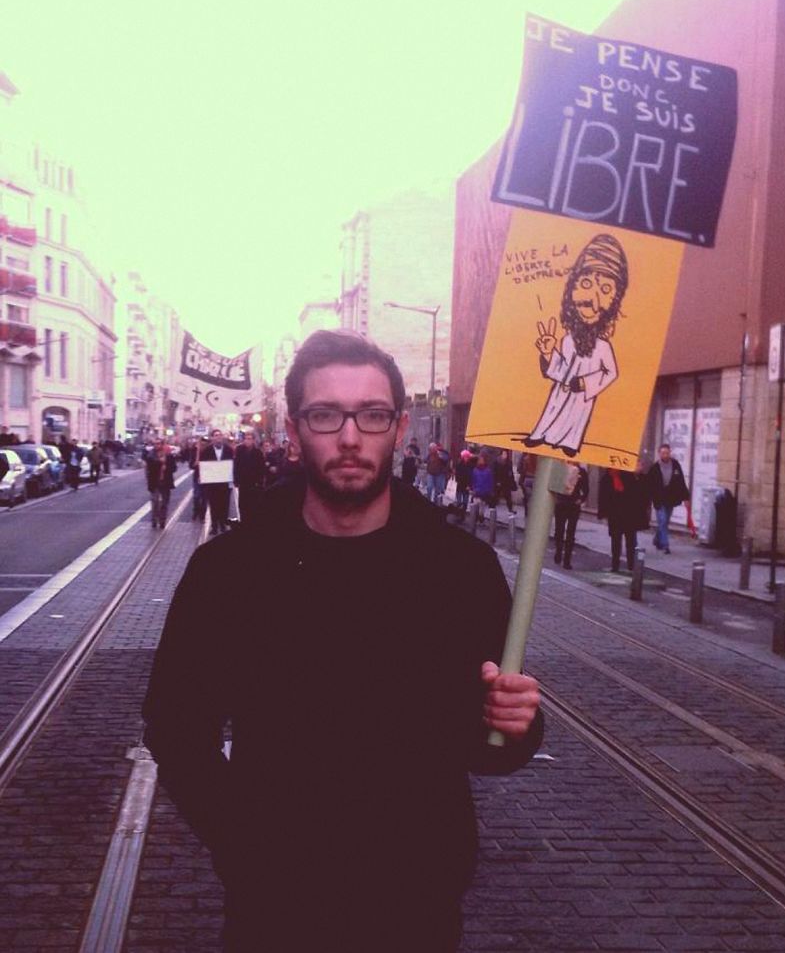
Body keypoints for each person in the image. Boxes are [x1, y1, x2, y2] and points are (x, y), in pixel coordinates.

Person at [142, 329, 542, 952]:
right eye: (326, 415)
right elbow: (174, 728)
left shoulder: (457, 570)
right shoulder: (231, 572)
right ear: (295, 429)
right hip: (272, 910)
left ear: (400, 427)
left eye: (372, 415)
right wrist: (242, 839)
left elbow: (486, 750)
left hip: (416, 908)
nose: (350, 437)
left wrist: (515, 726)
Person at [522, 234, 625, 457]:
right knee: (552, 412)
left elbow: (611, 373)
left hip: (582, 396)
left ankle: (570, 442)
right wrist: (549, 352)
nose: (593, 300)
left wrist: (586, 383)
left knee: (575, 421)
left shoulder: (604, 347)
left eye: (606, 290)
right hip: (562, 391)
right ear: (572, 289)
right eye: (586, 283)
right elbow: (560, 368)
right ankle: (540, 435)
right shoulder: (568, 339)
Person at [598, 465, 650, 572]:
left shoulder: (628, 475)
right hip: (614, 515)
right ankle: (615, 565)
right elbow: (602, 496)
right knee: (616, 541)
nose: (614, 469)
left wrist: (637, 475)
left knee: (630, 541)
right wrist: (603, 513)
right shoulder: (606, 478)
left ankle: (631, 565)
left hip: (628, 514)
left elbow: (637, 492)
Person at [646, 443, 694, 553]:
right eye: (663, 453)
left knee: (665, 521)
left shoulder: (675, 465)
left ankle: (657, 539)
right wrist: (648, 499)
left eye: (667, 453)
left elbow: (681, 481)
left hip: (671, 498)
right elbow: (649, 485)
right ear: (659, 454)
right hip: (659, 499)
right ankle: (665, 545)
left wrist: (686, 497)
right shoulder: (655, 468)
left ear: (670, 453)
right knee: (662, 520)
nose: (665, 455)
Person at [551, 462, 589, 569]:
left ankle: (567, 560)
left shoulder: (582, 471)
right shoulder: (560, 467)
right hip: (561, 503)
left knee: (571, 533)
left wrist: (581, 499)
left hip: (573, 505)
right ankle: (558, 551)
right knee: (559, 530)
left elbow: (586, 489)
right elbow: (554, 485)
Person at [200, 429, 234, 534]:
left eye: (220, 435)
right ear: (212, 438)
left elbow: (233, 464)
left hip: (225, 482)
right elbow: (203, 465)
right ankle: (214, 525)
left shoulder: (229, 450)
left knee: (224, 503)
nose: (218, 437)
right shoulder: (206, 451)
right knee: (213, 504)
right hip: (212, 483)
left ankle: (223, 524)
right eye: (216, 435)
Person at [233, 432, 267, 525]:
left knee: (254, 504)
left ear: (253, 440)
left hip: (254, 483)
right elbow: (236, 466)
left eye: (250, 439)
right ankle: (244, 522)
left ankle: (253, 522)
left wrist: (260, 481)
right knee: (243, 504)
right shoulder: (239, 450)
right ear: (243, 440)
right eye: (246, 439)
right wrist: (236, 480)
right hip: (243, 482)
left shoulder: (258, 452)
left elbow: (262, 468)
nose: (248, 441)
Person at [145, 438, 177, 528]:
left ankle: (162, 520)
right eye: (155, 444)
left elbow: (174, 468)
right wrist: (160, 463)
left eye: (159, 444)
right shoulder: (151, 455)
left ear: (162, 445)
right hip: (154, 482)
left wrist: (167, 467)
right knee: (155, 501)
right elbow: (150, 468)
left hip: (165, 482)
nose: (157, 445)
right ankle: (154, 520)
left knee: (164, 503)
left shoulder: (169, 456)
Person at [470, 451, 496, 522]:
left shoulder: (488, 471)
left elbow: (490, 481)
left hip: (484, 491)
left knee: (482, 507)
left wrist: (490, 490)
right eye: (479, 460)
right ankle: (476, 519)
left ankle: (480, 518)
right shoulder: (475, 470)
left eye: (482, 460)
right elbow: (473, 480)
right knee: (476, 506)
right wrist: (472, 489)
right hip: (477, 491)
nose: (480, 461)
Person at [492, 450, 517, 514]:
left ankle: (510, 509)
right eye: (504, 454)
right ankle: (492, 508)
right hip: (498, 482)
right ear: (501, 454)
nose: (505, 455)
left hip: (506, 482)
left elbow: (510, 473)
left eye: (506, 454)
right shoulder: (496, 462)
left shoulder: (509, 462)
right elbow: (494, 472)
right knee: (495, 496)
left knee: (508, 496)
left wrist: (512, 482)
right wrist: (496, 481)